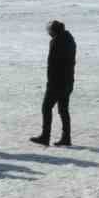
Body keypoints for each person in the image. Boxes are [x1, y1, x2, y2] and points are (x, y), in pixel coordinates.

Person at [30, 19, 77, 147]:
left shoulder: (57, 42)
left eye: (50, 31)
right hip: (68, 80)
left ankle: (46, 136)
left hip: (57, 82)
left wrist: (51, 82)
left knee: (46, 108)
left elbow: (54, 65)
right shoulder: (69, 39)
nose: (48, 33)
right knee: (63, 109)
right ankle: (66, 137)